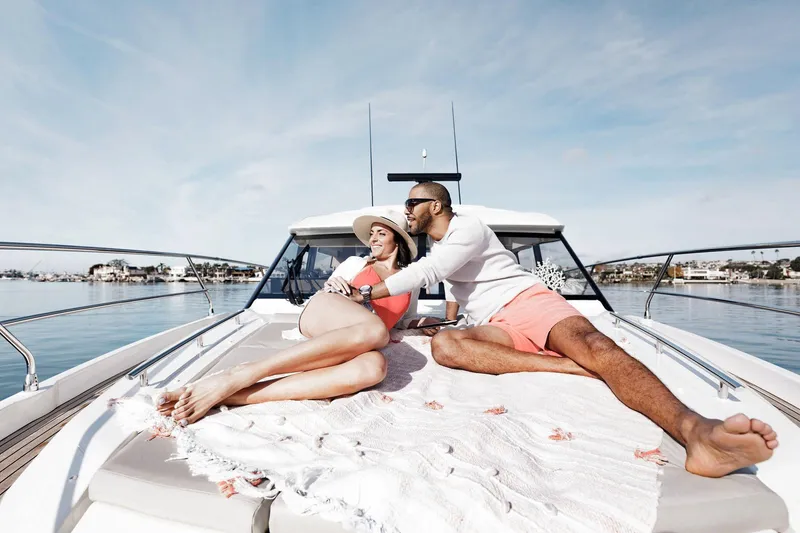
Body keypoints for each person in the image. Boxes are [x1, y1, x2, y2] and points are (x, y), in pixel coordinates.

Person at [348, 182, 779, 478]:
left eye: (411, 204)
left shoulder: (468, 228)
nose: (406, 211)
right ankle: (573, 369)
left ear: (435, 206)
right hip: (493, 323)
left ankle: (697, 433)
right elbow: (457, 288)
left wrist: (368, 293)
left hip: (528, 303)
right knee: (446, 345)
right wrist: (440, 319)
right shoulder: (444, 243)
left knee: (593, 343)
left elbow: (432, 271)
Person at [157, 211, 424, 425]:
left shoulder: (409, 281)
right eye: (372, 234)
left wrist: (420, 324)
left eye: (381, 233)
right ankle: (243, 373)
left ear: (397, 240)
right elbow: (329, 292)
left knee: (374, 368)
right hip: (329, 312)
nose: (373, 239)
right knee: (377, 332)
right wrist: (339, 284)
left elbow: (402, 320)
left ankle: (233, 394)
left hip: (363, 336)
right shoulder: (356, 263)